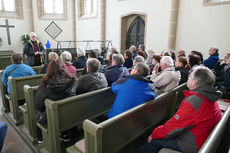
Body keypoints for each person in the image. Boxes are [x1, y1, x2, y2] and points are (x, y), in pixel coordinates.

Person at [135, 66, 222, 153]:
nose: (188, 78)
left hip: (195, 143)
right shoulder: (209, 95)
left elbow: (173, 127)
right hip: (202, 137)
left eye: (189, 76)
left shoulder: (195, 101)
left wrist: (154, 134)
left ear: (195, 82)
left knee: (154, 141)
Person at [36, 59, 77, 143]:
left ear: (49, 69)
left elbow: (39, 105)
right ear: (63, 68)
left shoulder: (45, 84)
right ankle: (65, 134)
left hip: (53, 116)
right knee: (63, 107)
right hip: (71, 113)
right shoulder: (73, 80)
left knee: (37, 116)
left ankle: (40, 138)